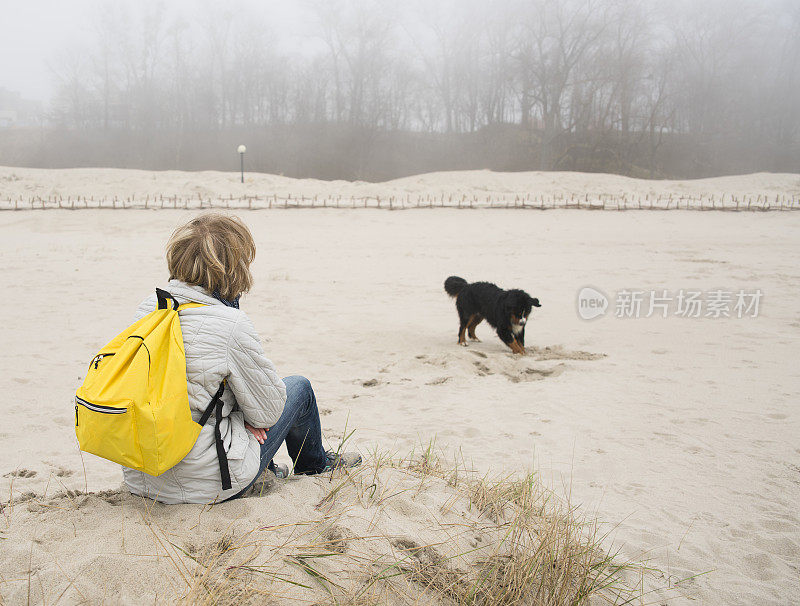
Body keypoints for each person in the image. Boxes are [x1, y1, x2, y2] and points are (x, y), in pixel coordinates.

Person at [122, 213, 360, 504]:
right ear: (235, 268)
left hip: (143, 475)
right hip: (210, 481)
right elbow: (269, 413)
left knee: (222, 396)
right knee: (298, 387)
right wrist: (246, 419)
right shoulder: (230, 324)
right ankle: (316, 464)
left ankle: (269, 467)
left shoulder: (148, 310)